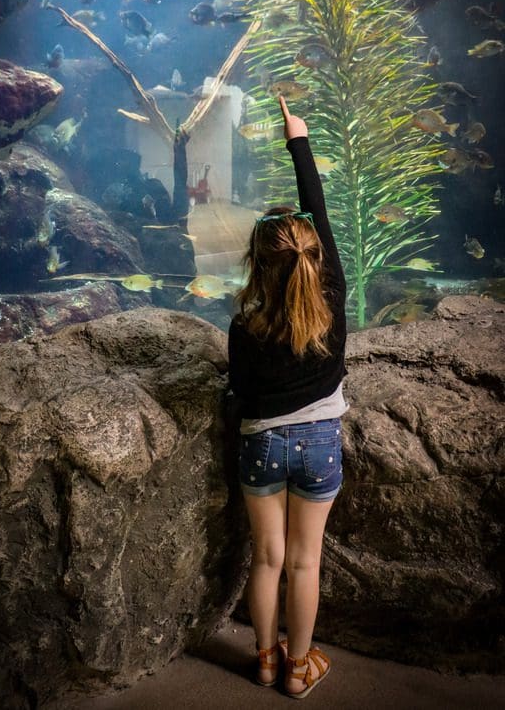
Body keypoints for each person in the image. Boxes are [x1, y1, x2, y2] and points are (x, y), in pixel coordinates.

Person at [228, 96, 347, 699]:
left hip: (261, 446)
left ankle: (266, 659)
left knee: (267, 558)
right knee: (305, 562)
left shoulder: (247, 322)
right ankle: (300, 669)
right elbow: (315, 212)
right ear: (312, 256)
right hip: (321, 441)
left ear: (256, 264)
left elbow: (241, 391)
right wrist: (297, 138)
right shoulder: (331, 295)